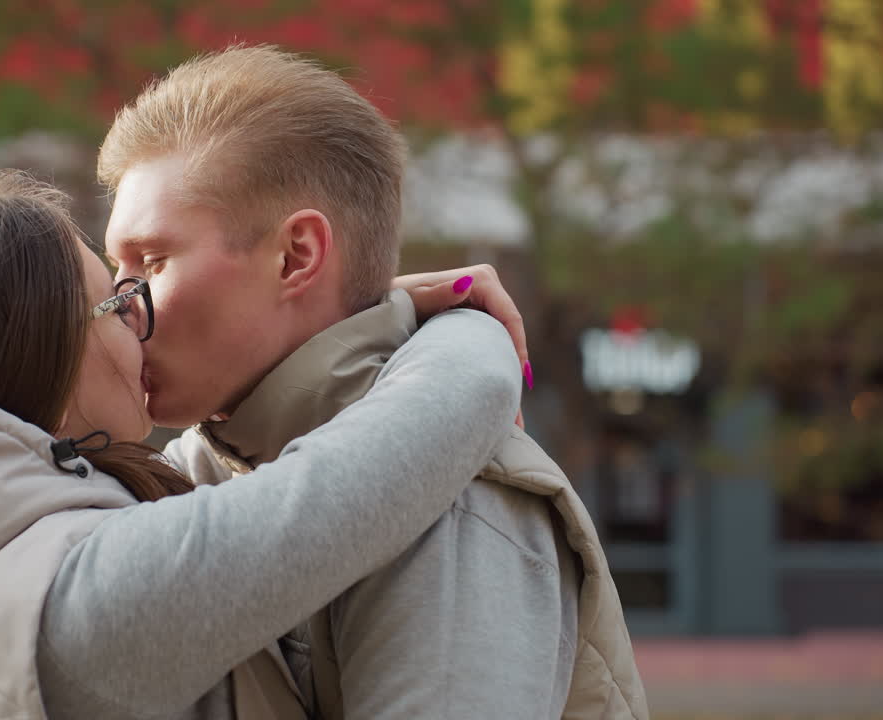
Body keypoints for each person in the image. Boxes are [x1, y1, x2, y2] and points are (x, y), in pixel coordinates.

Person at [0, 170, 525, 719]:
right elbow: (372, 472)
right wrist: (463, 324)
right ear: (34, 361)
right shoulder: (76, 609)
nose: (144, 327)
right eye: (117, 303)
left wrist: (341, 316)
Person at [99, 46, 649, 719]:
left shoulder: (454, 505)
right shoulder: (200, 473)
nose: (121, 305)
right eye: (113, 269)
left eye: (151, 263)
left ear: (296, 256)